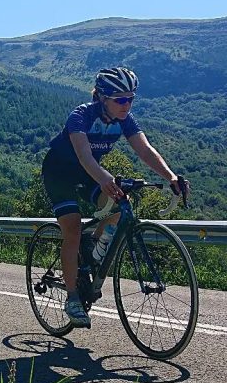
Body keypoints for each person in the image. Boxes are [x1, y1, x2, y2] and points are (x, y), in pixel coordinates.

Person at [41, 67, 189, 327]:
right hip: (60, 173)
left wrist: (171, 177)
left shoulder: (125, 119)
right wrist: (105, 178)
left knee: (122, 206)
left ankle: (93, 249)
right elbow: (84, 156)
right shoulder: (81, 116)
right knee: (72, 230)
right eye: (120, 99)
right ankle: (72, 297)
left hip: (90, 174)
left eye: (131, 98)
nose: (126, 104)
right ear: (102, 98)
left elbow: (145, 150)